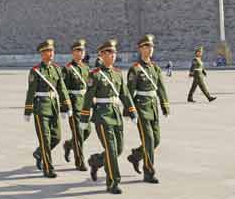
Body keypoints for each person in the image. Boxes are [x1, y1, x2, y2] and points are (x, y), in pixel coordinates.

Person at [80, 39, 137, 195]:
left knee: (118, 149)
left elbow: (125, 94)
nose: (113, 55)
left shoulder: (118, 73)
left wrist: (132, 110)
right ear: (102, 55)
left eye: (114, 53)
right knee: (111, 150)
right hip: (102, 116)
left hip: (115, 113)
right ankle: (112, 182)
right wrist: (84, 118)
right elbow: (88, 97)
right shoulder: (95, 75)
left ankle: (96, 161)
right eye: (109, 53)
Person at [24, 39, 72, 178]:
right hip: (40, 107)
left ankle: (39, 153)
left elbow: (62, 89)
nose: (50, 54)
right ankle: (48, 168)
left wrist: (66, 106)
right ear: (41, 54)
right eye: (47, 51)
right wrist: (28, 110)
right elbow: (30, 92)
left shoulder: (57, 69)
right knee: (45, 139)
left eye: (51, 51)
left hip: (53, 106)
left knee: (56, 137)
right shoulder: (36, 71)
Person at [126, 34, 170, 184]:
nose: (149, 49)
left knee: (156, 140)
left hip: (153, 107)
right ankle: (149, 172)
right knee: (149, 140)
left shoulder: (155, 68)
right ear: (140, 49)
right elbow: (129, 91)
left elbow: (161, 88)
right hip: (141, 109)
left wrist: (165, 105)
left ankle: (136, 155)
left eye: (151, 47)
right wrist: (130, 110)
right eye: (146, 47)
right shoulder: (135, 69)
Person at [62, 39, 91, 171]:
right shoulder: (67, 69)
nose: (81, 53)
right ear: (73, 53)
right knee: (78, 133)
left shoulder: (86, 68)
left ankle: (69, 144)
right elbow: (63, 89)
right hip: (74, 105)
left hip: (85, 105)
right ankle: (79, 161)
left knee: (87, 131)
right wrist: (66, 106)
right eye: (78, 50)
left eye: (82, 51)